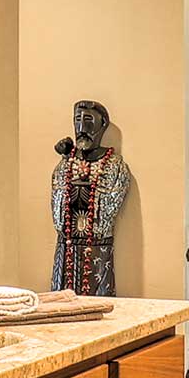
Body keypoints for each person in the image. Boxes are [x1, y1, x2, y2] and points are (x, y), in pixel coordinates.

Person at [49, 100, 129, 296]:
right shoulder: (66, 165)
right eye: (77, 120)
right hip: (66, 247)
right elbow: (59, 209)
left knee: (99, 298)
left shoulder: (114, 165)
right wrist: (66, 160)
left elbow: (107, 212)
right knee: (61, 302)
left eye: (88, 120)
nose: (81, 128)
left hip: (97, 249)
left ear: (102, 125)